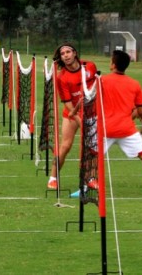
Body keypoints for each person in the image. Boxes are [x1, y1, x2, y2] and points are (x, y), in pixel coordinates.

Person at [99, 50, 142, 197]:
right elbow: (140, 110)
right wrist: (141, 115)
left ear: (112, 64)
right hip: (127, 129)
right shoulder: (134, 84)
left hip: (107, 129)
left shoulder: (102, 81)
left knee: (91, 160)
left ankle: (86, 188)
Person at [47, 43, 97, 190]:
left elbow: (97, 87)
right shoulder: (62, 77)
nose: (66, 56)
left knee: (92, 146)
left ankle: (91, 178)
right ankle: (53, 178)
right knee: (65, 145)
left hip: (92, 112)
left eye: (68, 52)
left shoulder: (90, 67)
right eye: (63, 54)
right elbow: (68, 105)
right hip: (72, 114)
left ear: (74, 53)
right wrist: (79, 120)